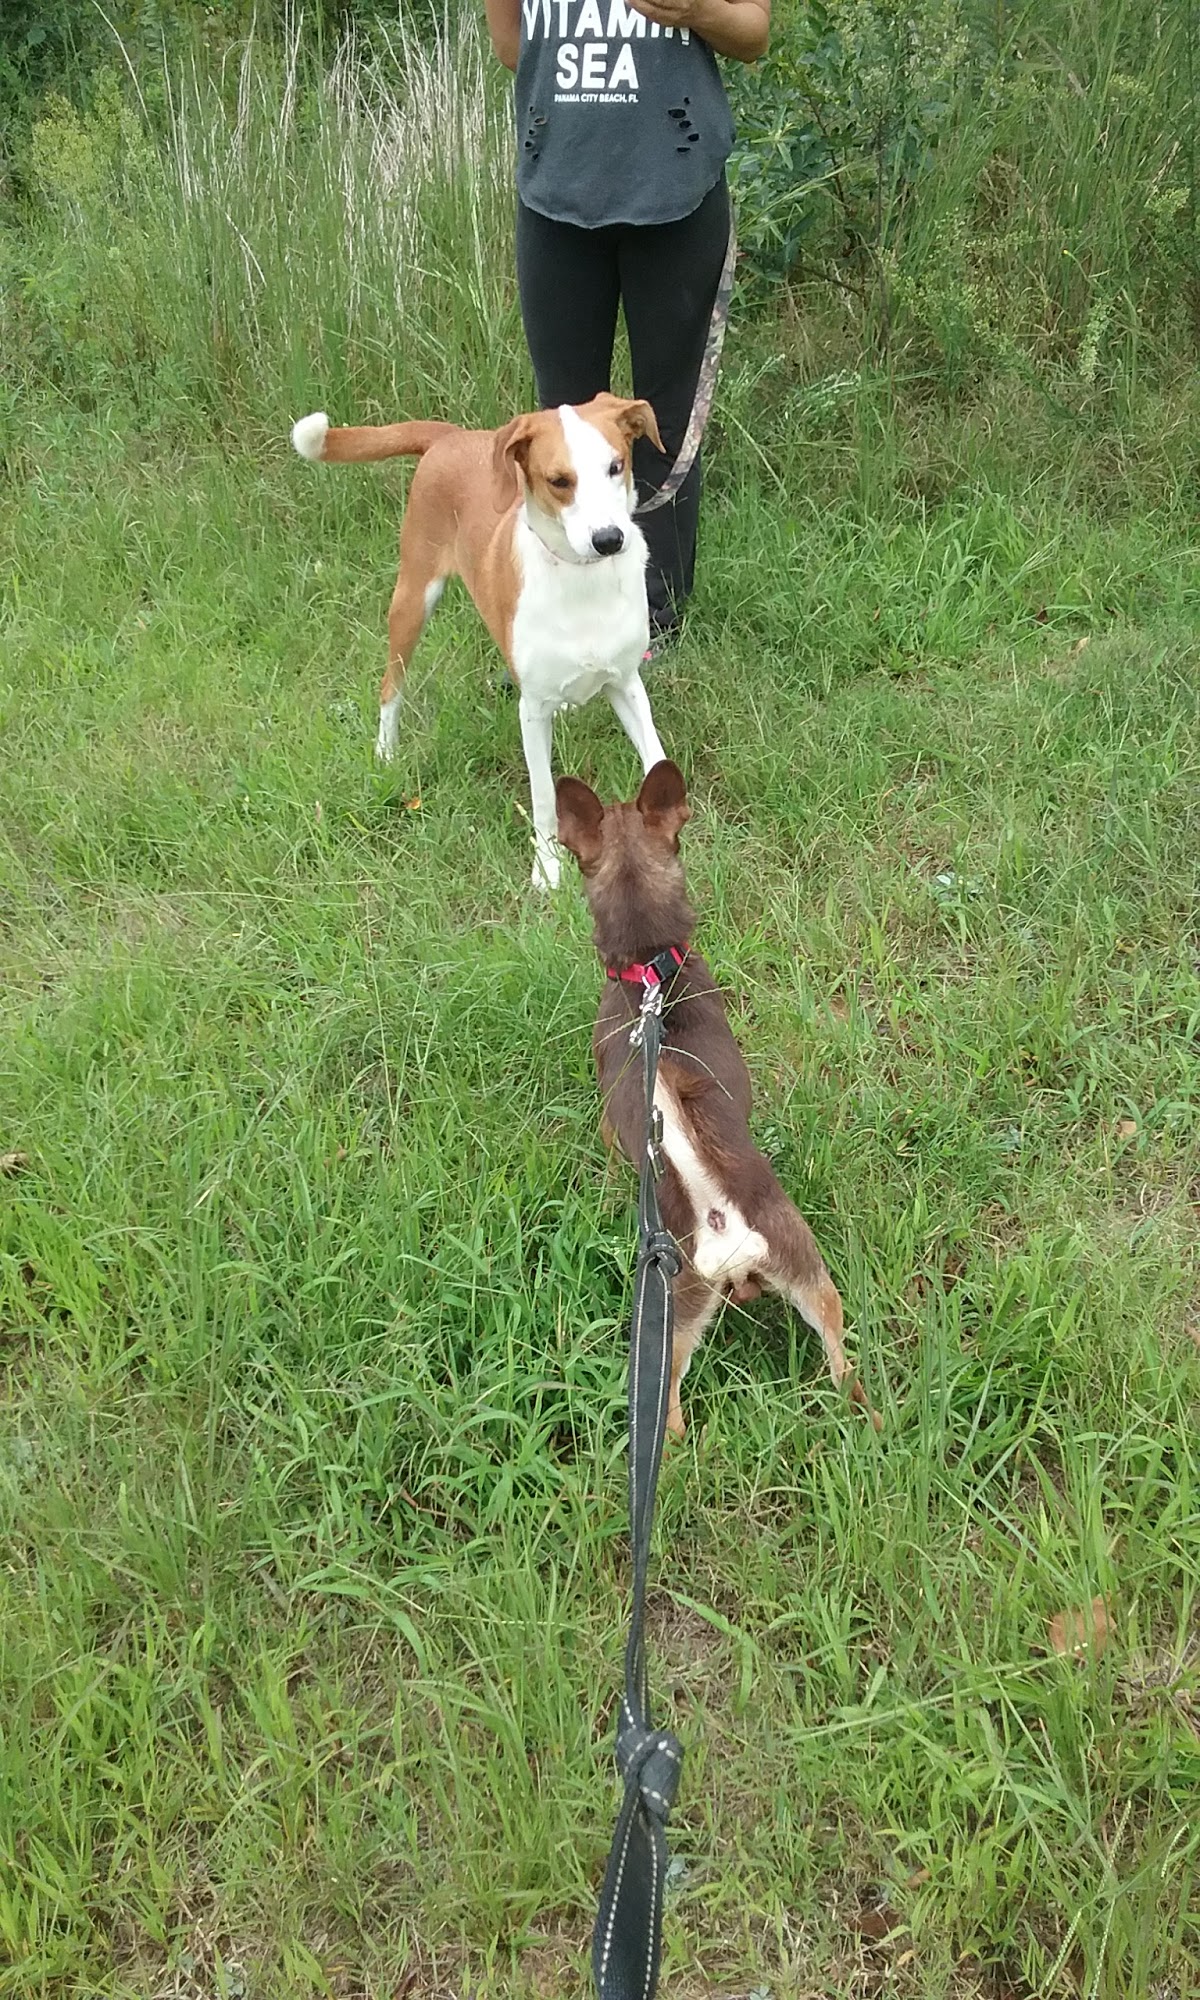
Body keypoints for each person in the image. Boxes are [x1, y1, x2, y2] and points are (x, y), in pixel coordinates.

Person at [484, 0, 770, 653]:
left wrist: (695, 10)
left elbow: (754, 33)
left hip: (677, 191)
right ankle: (559, 616)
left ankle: (654, 626)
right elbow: (511, 46)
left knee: (662, 417)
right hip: (556, 189)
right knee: (559, 422)